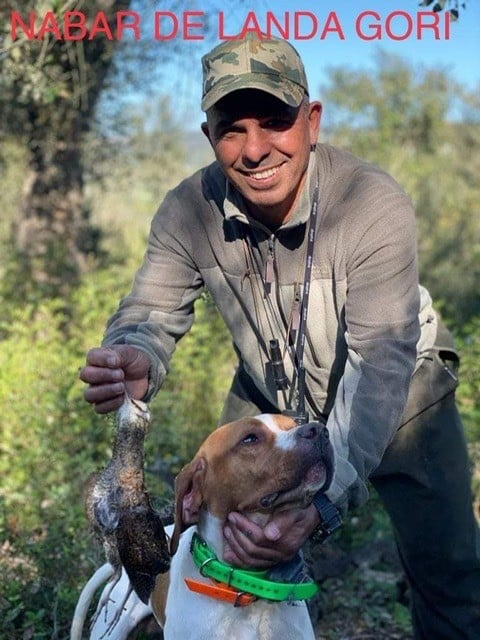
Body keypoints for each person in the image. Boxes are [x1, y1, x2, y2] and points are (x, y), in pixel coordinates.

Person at [80, 34, 480, 638]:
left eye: (275, 120)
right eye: (232, 128)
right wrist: (135, 352)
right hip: (270, 393)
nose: (255, 148)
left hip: (399, 392)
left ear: (311, 121)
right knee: (218, 541)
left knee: (450, 574)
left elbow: (380, 363)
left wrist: (320, 506)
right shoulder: (188, 207)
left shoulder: (372, 203)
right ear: (209, 136)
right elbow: (149, 310)